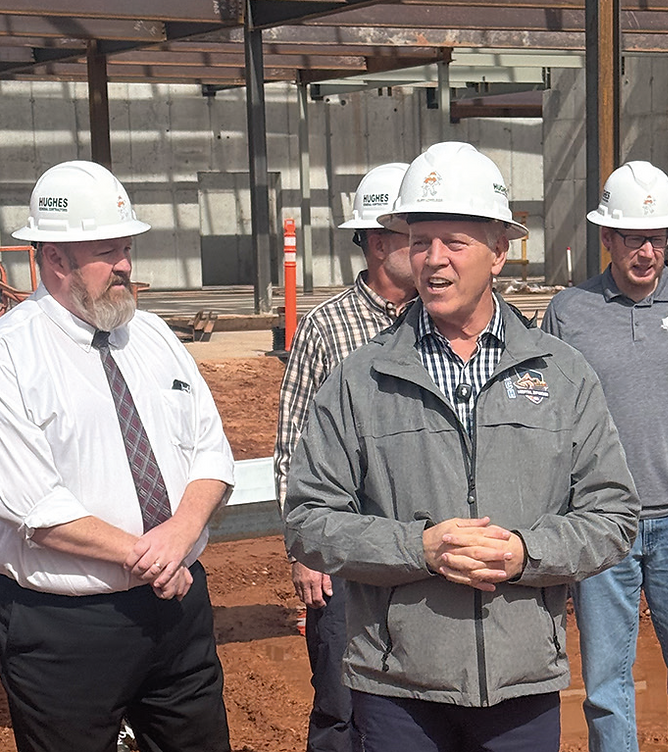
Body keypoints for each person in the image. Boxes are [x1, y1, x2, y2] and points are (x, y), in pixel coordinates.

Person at [284, 141, 640, 752]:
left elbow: (613, 516)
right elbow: (308, 523)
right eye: (420, 241)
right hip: (398, 688)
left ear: (500, 252)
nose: (434, 260)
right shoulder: (360, 379)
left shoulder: (563, 374)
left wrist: (525, 553)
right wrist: (419, 547)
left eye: (456, 242)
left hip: (521, 683)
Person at [0, 160, 235, 752]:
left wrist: (177, 537)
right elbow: (32, 505)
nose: (126, 265)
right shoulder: (4, 358)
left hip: (177, 608)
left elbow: (211, 452)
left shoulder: (155, 338)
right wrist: (154, 555)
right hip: (64, 627)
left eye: (127, 247)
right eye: (108, 251)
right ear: (55, 259)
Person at [542, 160, 668, 752]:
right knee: (607, 682)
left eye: (657, 237)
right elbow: (552, 416)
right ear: (606, 237)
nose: (647, 251)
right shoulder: (569, 311)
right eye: (633, 236)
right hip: (603, 524)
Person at [274, 161, 415, 752]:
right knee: (338, 706)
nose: (433, 250)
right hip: (342, 556)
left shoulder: (436, 322)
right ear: (380, 242)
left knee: (411, 705)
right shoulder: (327, 327)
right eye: (417, 235)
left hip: (416, 548)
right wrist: (307, 554)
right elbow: (292, 444)